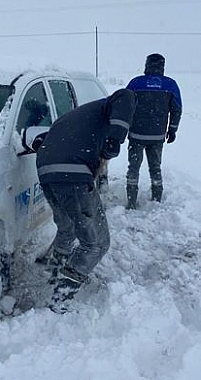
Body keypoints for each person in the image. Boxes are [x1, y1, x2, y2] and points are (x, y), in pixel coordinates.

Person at [35, 89, 136, 312]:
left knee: (67, 228)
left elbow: (44, 140)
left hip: (47, 174)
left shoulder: (78, 115)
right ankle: (60, 299)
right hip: (72, 175)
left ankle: (57, 271)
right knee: (96, 243)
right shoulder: (121, 100)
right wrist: (116, 138)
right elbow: (125, 97)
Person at [125, 53, 182, 209]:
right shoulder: (170, 85)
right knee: (155, 167)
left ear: (146, 65)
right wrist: (172, 129)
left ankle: (131, 201)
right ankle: (156, 198)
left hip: (136, 134)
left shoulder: (135, 83)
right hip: (157, 136)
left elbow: (124, 105)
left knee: (133, 167)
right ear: (162, 66)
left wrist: (124, 127)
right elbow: (177, 109)